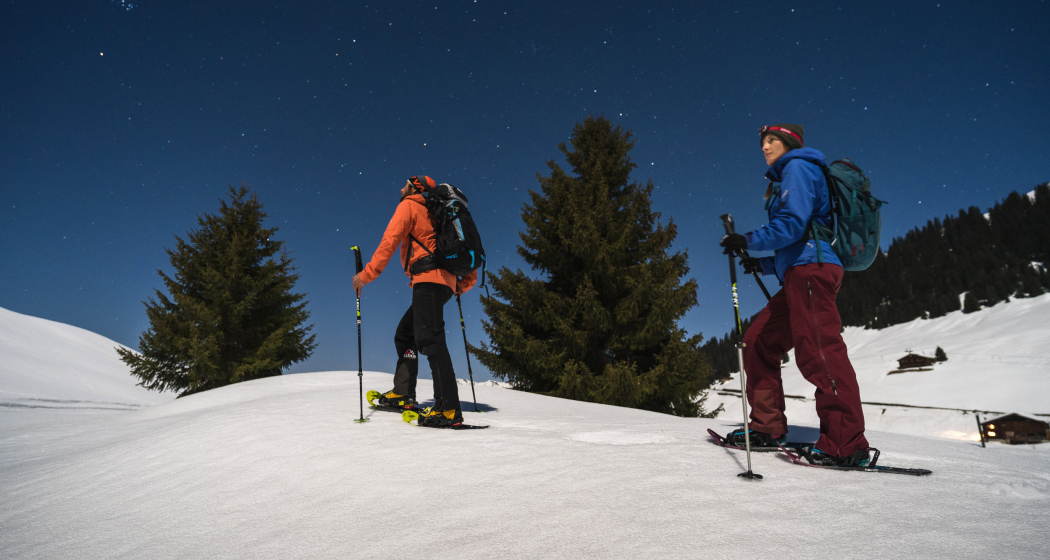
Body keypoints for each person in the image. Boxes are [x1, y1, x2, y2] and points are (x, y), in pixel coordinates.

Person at [718, 124, 871, 467]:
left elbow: (794, 223)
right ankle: (767, 427)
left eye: (772, 140)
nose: (765, 147)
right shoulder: (787, 175)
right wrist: (766, 264)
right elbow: (798, 237)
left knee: (819, 351)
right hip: (798, 272)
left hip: (812, 271)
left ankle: (846, 444)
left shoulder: (798, 167)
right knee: (758, 343)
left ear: (790, 143)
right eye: (763, 142)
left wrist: (748, 239)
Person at [353, 175, 477, 427]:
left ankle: (449, 409)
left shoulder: (410, 205)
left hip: (428, 281)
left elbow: (389, 241)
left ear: (415, 188)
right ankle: (403, 393)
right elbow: (467, 255)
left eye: (405, 185)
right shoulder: (442, 211)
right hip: (442, 284)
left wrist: (365, 276)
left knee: (430, 339)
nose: (400, 188)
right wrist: (461, 285)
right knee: (406, 334)